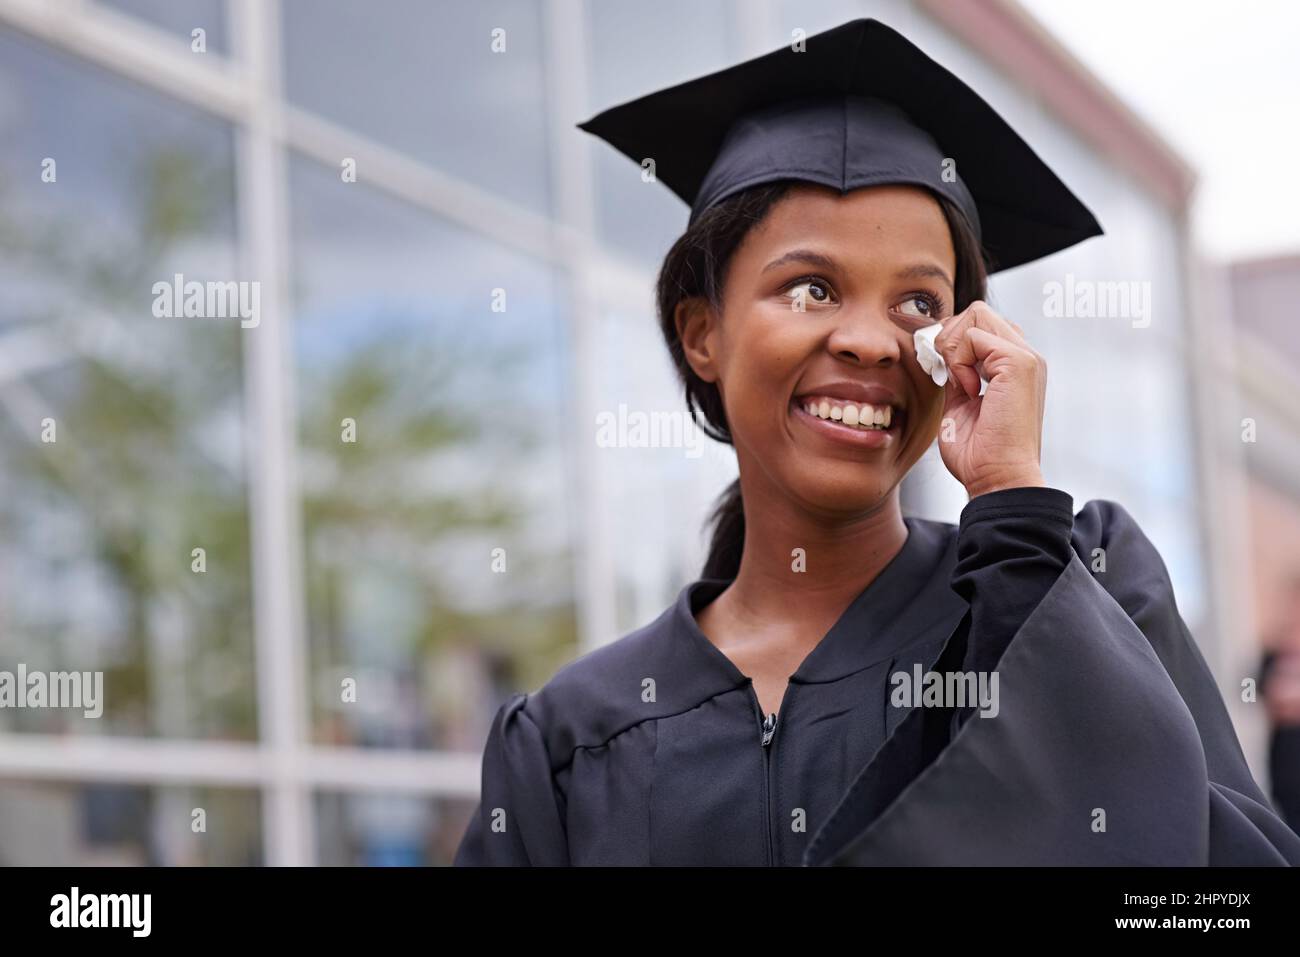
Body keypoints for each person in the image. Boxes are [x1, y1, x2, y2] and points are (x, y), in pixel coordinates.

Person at [453, 18, 1300, 866]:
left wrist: (1015, 515)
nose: (870, 339)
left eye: (921, 304)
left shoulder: (1080, 593)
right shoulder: (569, 741)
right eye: (811, 288)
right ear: (702, 331)